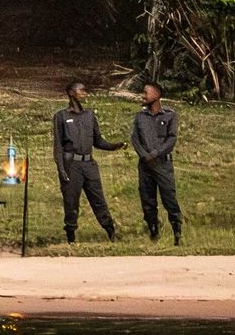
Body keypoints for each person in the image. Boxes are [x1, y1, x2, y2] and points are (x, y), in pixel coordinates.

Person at [50, 81, 121, 243]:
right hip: (71, 165)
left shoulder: (89, 116)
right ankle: (71, 237)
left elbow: (98, 141)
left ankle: (111, 231)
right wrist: (61, 169)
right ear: (71, 92)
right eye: (81, 90)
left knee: (98, 199)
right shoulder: (61, 116)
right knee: (71, 202)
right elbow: (58, 146)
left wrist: (113, 146)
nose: (84, 93)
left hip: (89, 164)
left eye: (85, 90)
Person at [131, 81, 184, 243]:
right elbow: (135, 138)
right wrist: (143, 155)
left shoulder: (169, 115)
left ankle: (177, 231)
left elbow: (171, 140)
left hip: (162, 164)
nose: (143, 95)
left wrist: (155, 153)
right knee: (147, 199)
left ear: (157, 95)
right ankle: (153, 229)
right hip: (145, 165)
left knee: (169, 198)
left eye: (146, 92)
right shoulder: (140, 116)